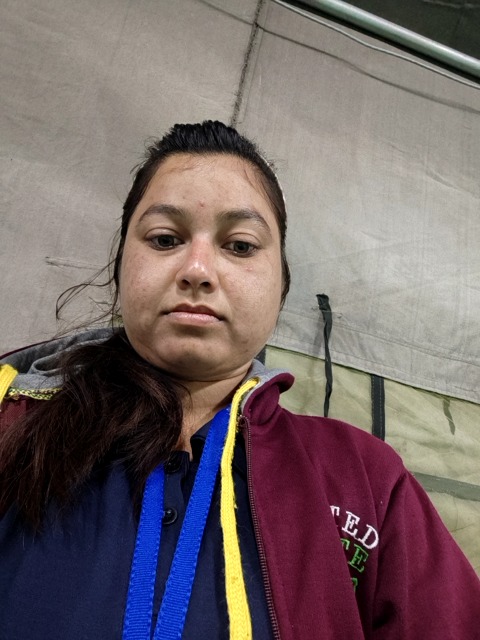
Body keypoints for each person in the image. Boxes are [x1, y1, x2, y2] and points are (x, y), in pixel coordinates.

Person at [0, 120, 479, 640]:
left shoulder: (363, 477)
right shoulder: (11, 418)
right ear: (121, 268)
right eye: (165, 239)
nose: (197, 269)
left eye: (241, 245)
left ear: (282, 285)